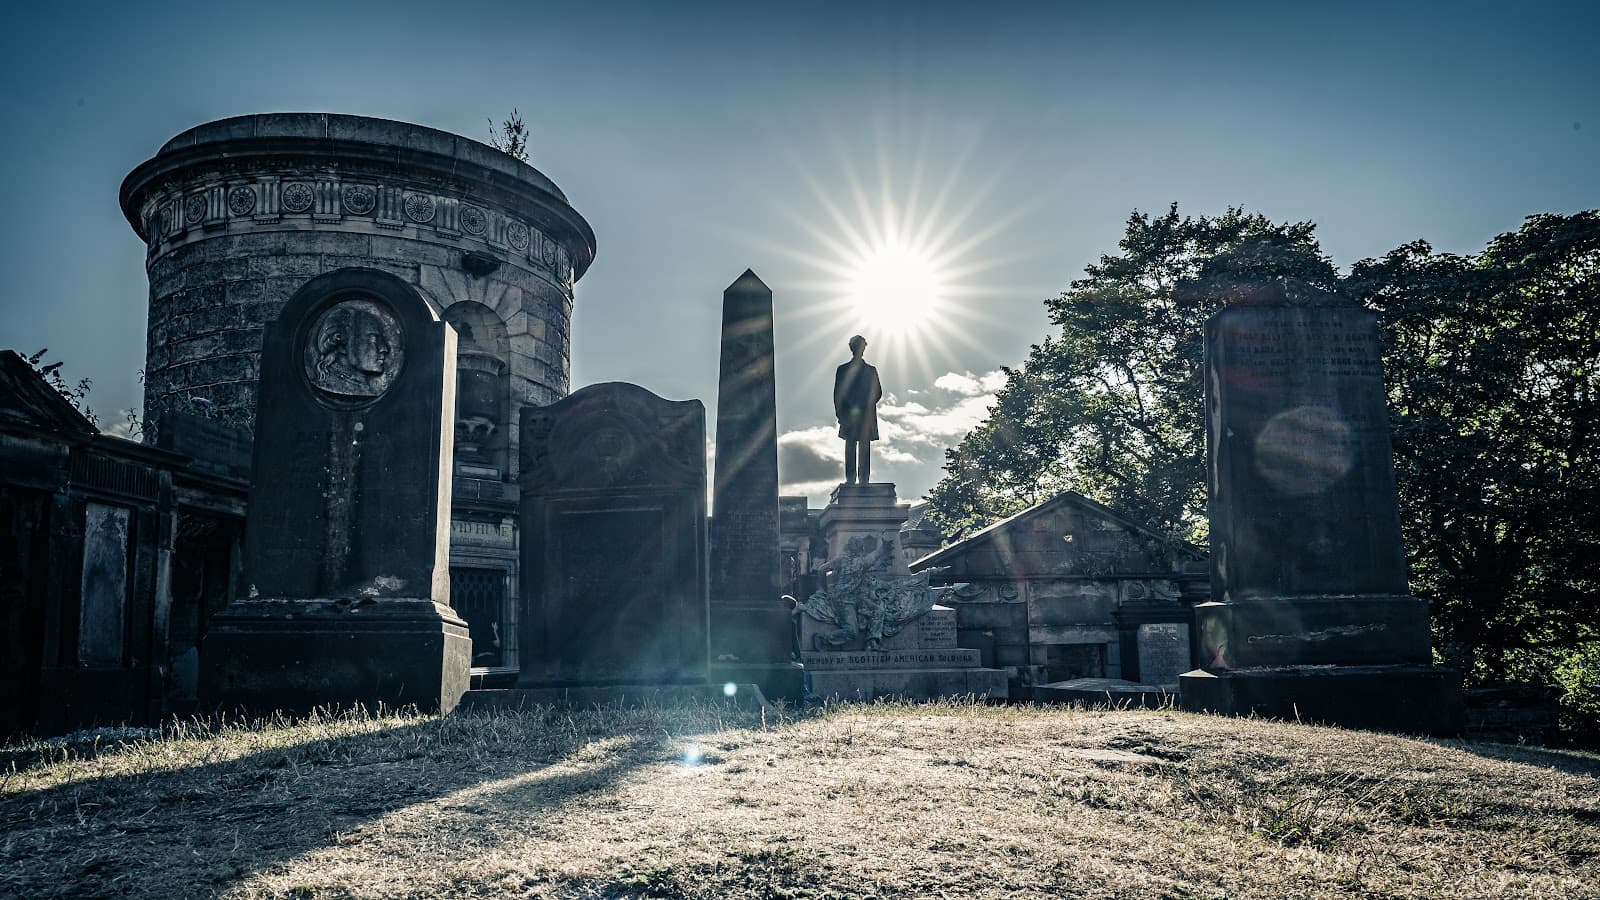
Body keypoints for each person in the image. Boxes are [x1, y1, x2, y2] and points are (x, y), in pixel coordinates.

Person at [833, 335, 883, 484]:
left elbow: (878, 392)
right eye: (857, 346)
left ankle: (864, 479)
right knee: (850, 446)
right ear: (852, 348)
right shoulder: (842, 370)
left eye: (862, 346)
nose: (860, 349)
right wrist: (841, 413)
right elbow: (838, 393)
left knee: (864, 447)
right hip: (849, 415)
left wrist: (866, 403)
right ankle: (850, 479)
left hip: (865, 415)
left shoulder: (871, 370)